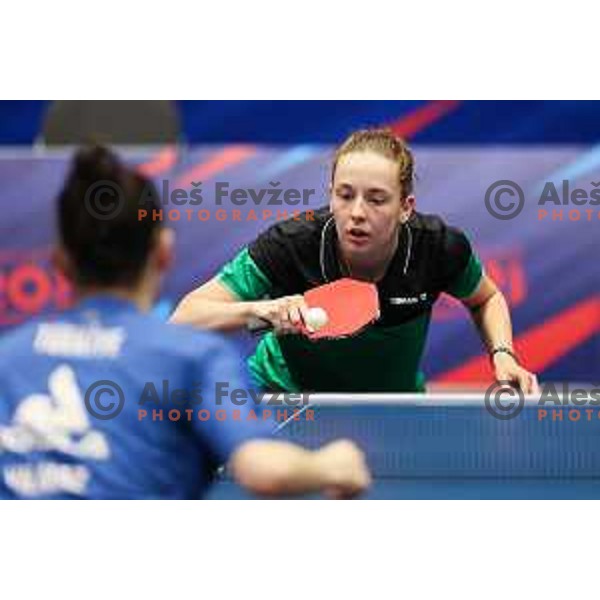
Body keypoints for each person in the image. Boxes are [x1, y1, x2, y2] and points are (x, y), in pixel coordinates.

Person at [0, 146, 370, 499]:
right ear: (163, 253)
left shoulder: (8, 358)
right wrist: (333, 464)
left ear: (60, 263)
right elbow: (265, 469)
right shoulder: (194, 358)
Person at [171, 128, 540, 394]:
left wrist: (503, 355)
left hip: (390, 408)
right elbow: (185, 317)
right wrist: (263, 311)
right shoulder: (292, 245)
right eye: (345, 195)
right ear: (330, 195)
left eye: (377, 199)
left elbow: (486, 297)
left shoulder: (438, 247)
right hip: (282, 396)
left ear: (405, 207)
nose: (357, 213)